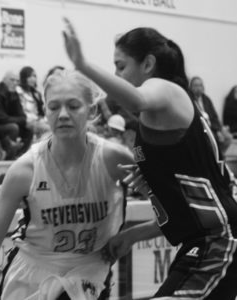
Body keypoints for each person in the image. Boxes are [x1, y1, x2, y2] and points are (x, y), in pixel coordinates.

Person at [62, 18, 237, 299]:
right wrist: (133, 234)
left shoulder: (166, 90)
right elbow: (186, 211)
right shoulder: (159, 117)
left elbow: (136, 100)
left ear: (147, 64)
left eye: (121, 66)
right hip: (203, 240)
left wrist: (82, 63)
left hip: (219, 240)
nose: (116, 75)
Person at [0, 69, 134, 300]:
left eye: (73, 106)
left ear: (91, 110)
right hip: (31, 274)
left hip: (90, 271)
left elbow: (175, 207)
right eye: (53, 107)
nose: (62, 114)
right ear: (44, 112)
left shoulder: (114, 158)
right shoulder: (24, 170)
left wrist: (137, 234)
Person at [0, 71, 33, 160]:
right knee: (13, 127)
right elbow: (0, 118)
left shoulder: (13, 93)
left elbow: (22, 115)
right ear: (4, 80)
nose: (15, 83)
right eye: (12, 80)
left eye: (17, 81)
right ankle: (9, 155)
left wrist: (21, 120)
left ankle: (19, 155)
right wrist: (19, 120)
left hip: (5, 122)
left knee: (29, 129)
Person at [189, 76, 232, 155]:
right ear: (191, 87)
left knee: (228, 137)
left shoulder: (206, 99)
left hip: (213, 127)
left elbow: (214, 117)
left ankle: (219, 155)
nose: (198, 88)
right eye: (196, 85)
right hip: (201, 128)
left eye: (200, 85)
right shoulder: (190, 100)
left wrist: (218, 130)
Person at [17, 66, 50, 139]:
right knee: (50, 130)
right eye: (30, 76)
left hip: (38, 119)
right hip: (26, 121)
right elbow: (20, 111)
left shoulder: (35, 93)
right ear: (24, 78)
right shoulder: (18, 91)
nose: (33, 79)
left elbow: (41, 110)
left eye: (34, 76)